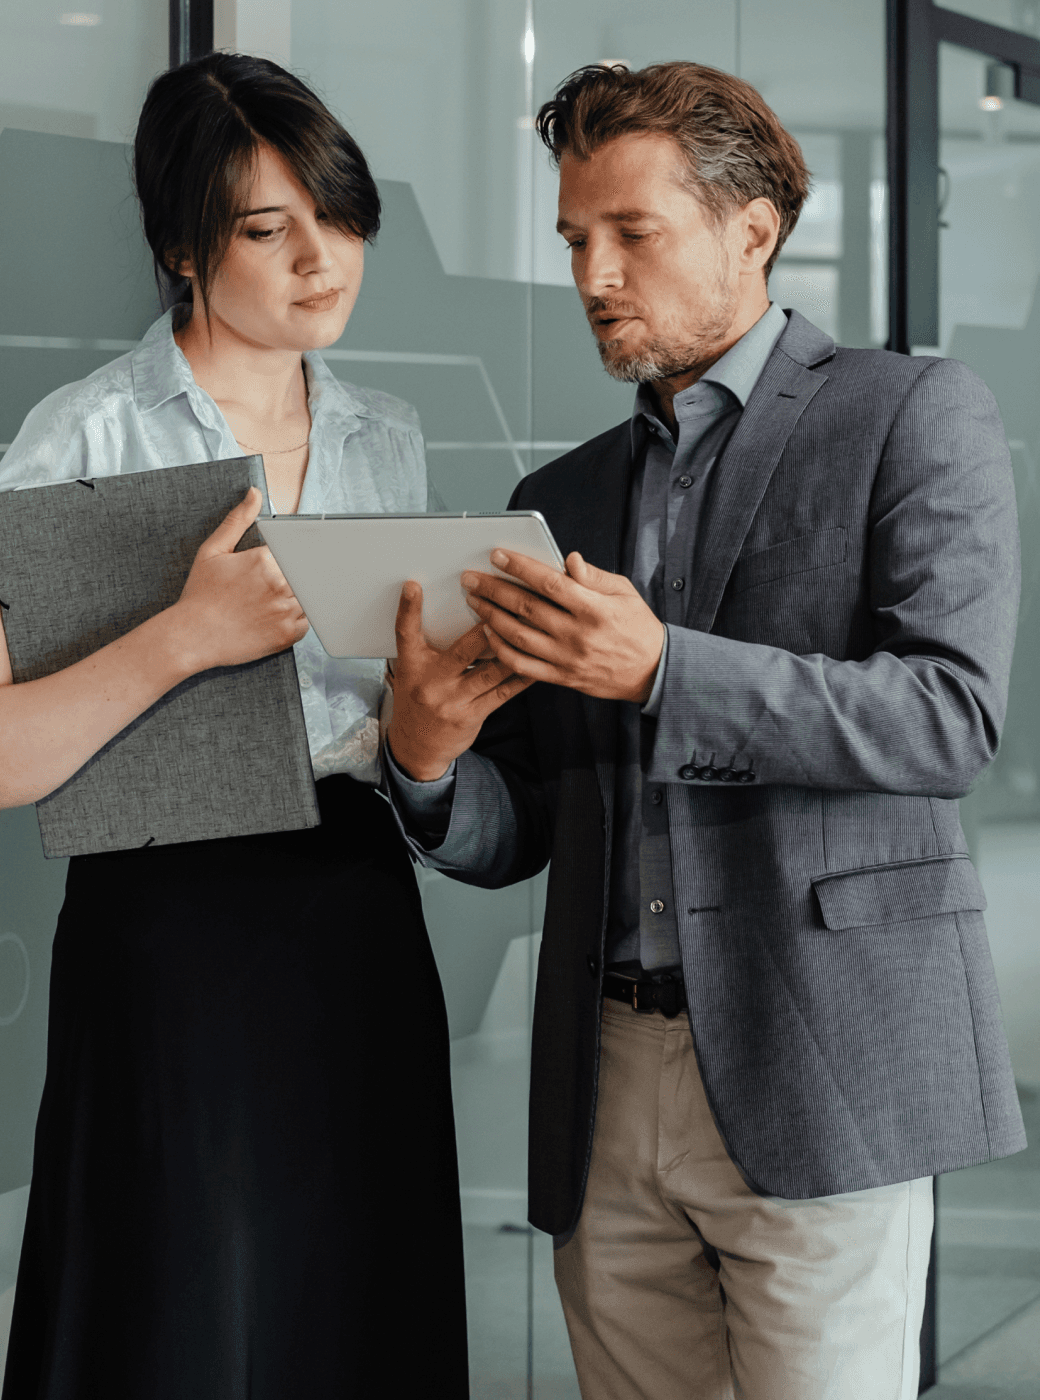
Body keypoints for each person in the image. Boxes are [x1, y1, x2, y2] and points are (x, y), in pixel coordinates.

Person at [382, 60, 1024, 1400]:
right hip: (605, 1086)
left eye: (633, 233)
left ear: (753, 228)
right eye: (574, 240)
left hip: (822, 1063)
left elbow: (950, 718)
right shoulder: (557, 495)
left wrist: (671, 667)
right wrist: (428, 763)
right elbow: (535, 818)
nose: (594, 275)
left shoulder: (910, 414)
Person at [0, 52, 468, 1400]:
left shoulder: (389, 436)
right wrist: (182, 637)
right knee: (175, 1326)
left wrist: (430, 726)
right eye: (268, 229)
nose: (321, 260)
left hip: (358, 913)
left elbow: (384, 721)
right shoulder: (85, 433)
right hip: (168, 927)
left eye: (338, 218)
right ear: (180, 246)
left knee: (354, 1309)